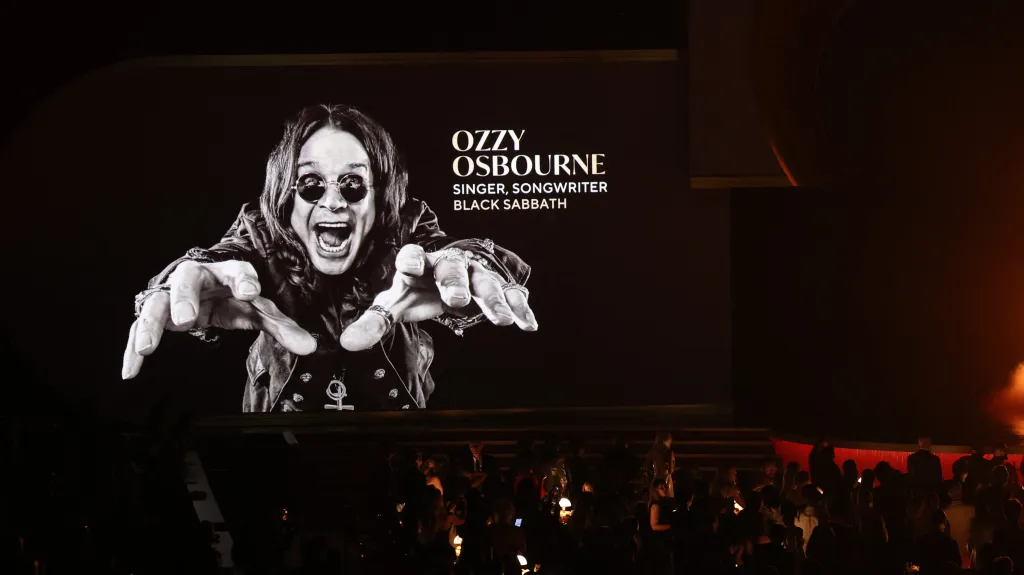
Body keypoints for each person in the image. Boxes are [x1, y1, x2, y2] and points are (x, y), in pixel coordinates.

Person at [121, 104, 537, 412]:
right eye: (311, 184)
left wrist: (466, 263)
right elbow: (222, 257)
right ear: (288, 194)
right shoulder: (261, 229)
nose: (333, 202)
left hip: (395, 435)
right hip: (278, 435)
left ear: (378, 196)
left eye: (353, 184)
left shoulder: (404, 225)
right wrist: (181, 281)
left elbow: (445, 250)